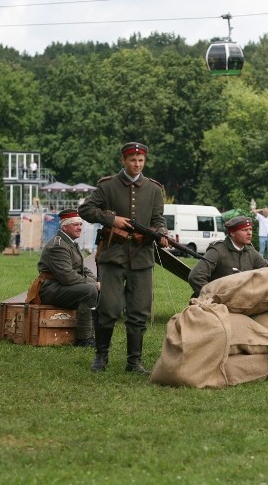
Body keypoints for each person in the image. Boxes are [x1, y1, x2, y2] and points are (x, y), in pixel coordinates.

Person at [78, 142, 168, 374]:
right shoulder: (107, 186)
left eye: (141, 160)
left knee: (139, 311)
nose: (137, 164)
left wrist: (162, 234)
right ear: (123, 161)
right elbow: (85, 210)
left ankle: (134, 361)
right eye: (132, 160)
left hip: (142, 257)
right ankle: (101, 356)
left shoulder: (154, 189)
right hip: (113, 255)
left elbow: (158, 219)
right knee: (109, 307)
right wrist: (112, 219)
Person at [36, 209, 100, 347]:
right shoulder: (58, 246)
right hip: (50, 289)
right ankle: (83, 339)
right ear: (64, 227)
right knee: (89, 291)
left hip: (61, 287)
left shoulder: (69, 243)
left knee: (95, 288)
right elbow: (68, 277)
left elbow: (82, 269)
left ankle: (94, 333)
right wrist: (94, 285)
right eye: (75, 225)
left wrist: (96, 282)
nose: (80, 228)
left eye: (80, 224)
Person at [188, 215, 268, 297]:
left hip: (242, 302)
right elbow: (196, 276)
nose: (249, 233)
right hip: (217, 304)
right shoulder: (217, 250)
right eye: (244, 230)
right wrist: (211, 298)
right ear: (232, 233)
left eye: (250, 229)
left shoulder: (250, 251)